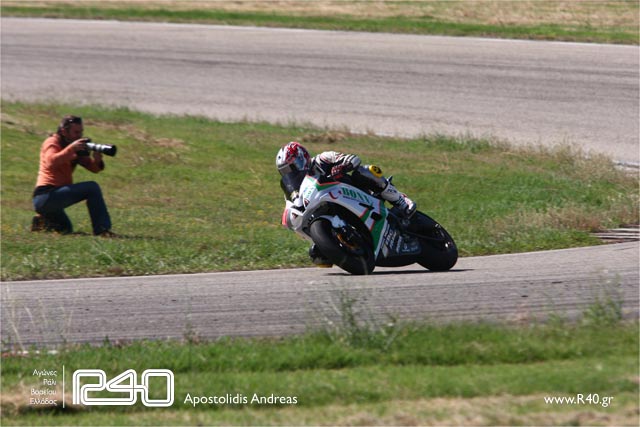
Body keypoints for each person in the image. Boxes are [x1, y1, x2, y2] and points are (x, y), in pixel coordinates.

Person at [275, 141, 416, 218]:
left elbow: (354, 159)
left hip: (357, 194)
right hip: (337, 210)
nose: (291, 173)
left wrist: (342, 166)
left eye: (292, 167)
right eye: (285, 171)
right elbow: (293, 209)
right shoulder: (295, 192)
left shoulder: (323, 159)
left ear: (303, 158)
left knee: (365, 171)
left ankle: (401, 201)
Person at [31, 115, 115, 237]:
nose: (79, 136)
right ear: (64, 131)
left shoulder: (73, 146)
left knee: (65, 229)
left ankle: (41, 222)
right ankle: (102, 230)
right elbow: (51, 161)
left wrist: (97, 160)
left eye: (81, 132)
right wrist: (72, 149)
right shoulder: (52, 142)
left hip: (52, 199)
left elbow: (93, 169)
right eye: (76, 132)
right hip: (45, 195)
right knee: (92, 188)